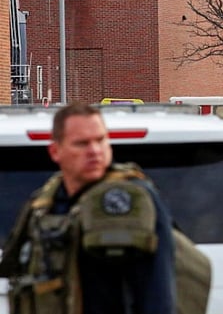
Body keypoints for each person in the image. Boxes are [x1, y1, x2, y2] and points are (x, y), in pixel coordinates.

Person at [0, 102, 176, 314]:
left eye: (100, 140)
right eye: (81, 144)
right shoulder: (43, 205)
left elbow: (157, 295)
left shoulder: (131, 201)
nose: (94, 151)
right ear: (56, 151)